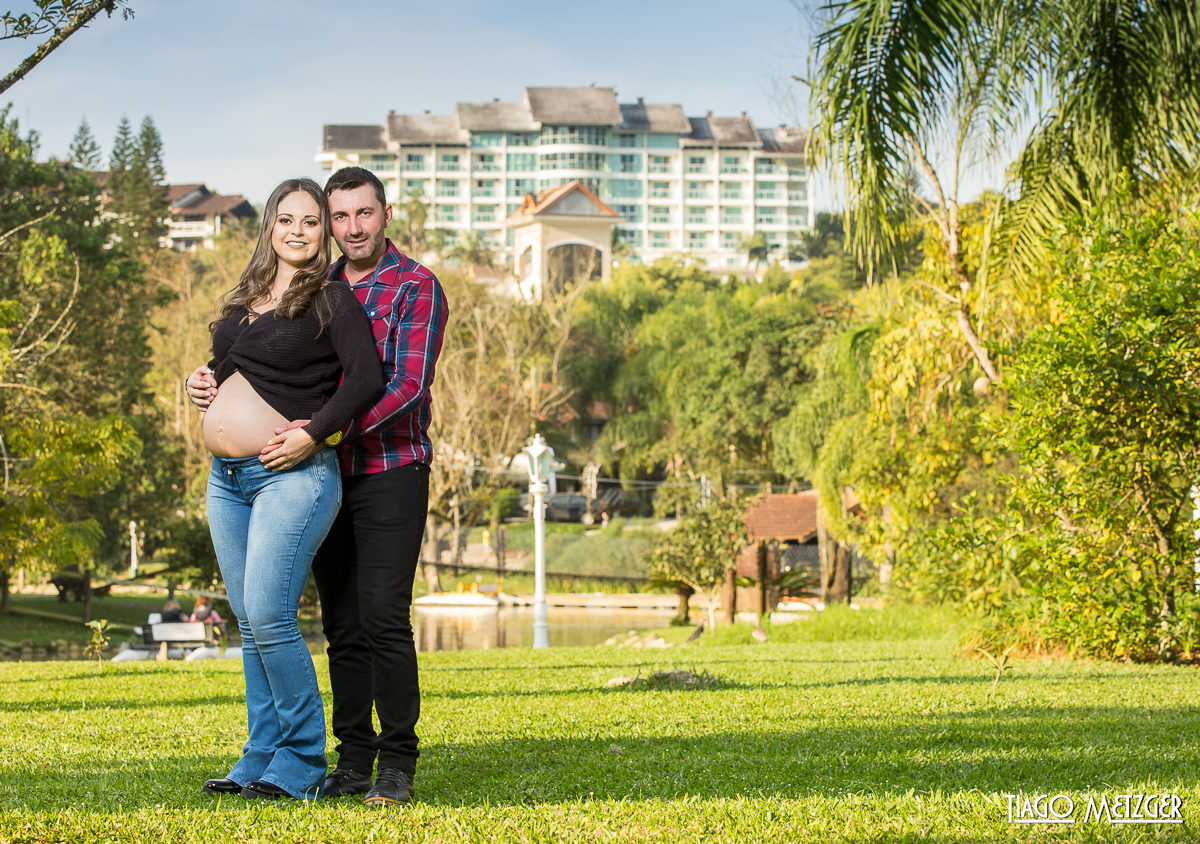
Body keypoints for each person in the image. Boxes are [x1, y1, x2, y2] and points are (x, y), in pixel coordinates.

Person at [187, 167, 447, 807]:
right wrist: (206, 381)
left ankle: (394, 762)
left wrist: (322, 433)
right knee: (338, 624)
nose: (350, 227)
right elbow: (255, 364)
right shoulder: (307, 284)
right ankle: (349, 759)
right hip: (293, 468)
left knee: (380, 617)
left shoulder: (406, 287)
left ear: (385, 215)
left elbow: (400, 385)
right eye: (339, 216)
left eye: (363, 213)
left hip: (384, 467)